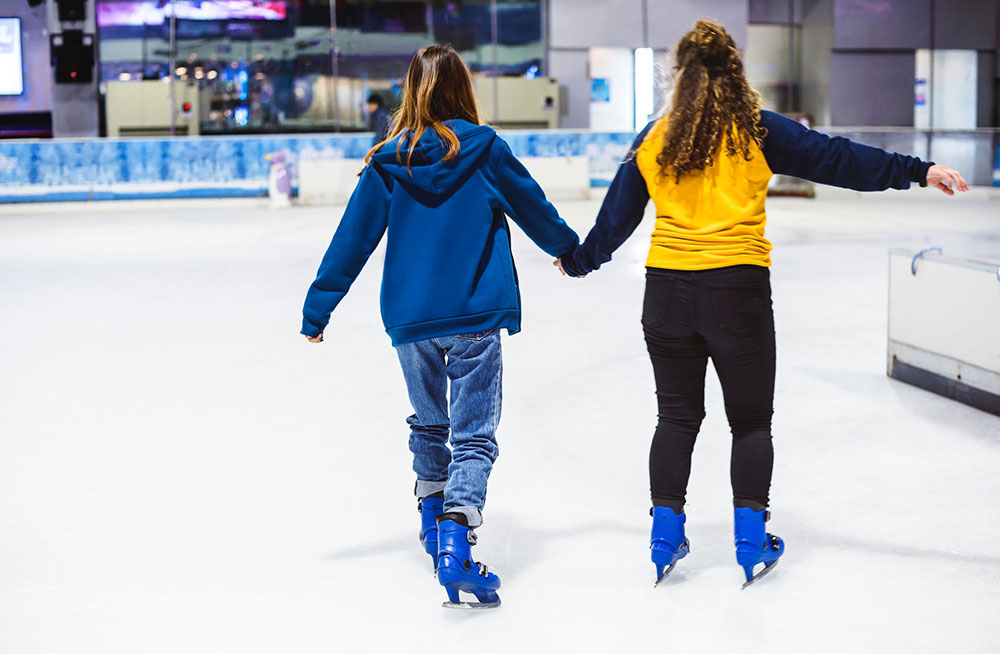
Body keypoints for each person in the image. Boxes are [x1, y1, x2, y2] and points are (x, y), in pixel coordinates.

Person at [557, 19, 968, 588]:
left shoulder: (654, 137)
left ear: (678, 75)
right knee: (750, 422)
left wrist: (578, 261)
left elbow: (615, 221)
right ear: (734, 71)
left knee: (676, 417)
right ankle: (750, 541)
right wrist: (917, 171)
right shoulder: (757, 130)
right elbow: (838, 159)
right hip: (737, 294)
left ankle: (664, 536)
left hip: (667, 295)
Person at [301, 44, 579, 608]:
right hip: (474, 314)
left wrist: (319, 307)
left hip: (411, 320)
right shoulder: (486, 150)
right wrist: (569, 251)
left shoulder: (388, 160)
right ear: (463, 88)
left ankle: (433, 529)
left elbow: (351, 240)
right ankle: (456, 539)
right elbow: (534, 208)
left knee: (430, 425)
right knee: (472, 434)